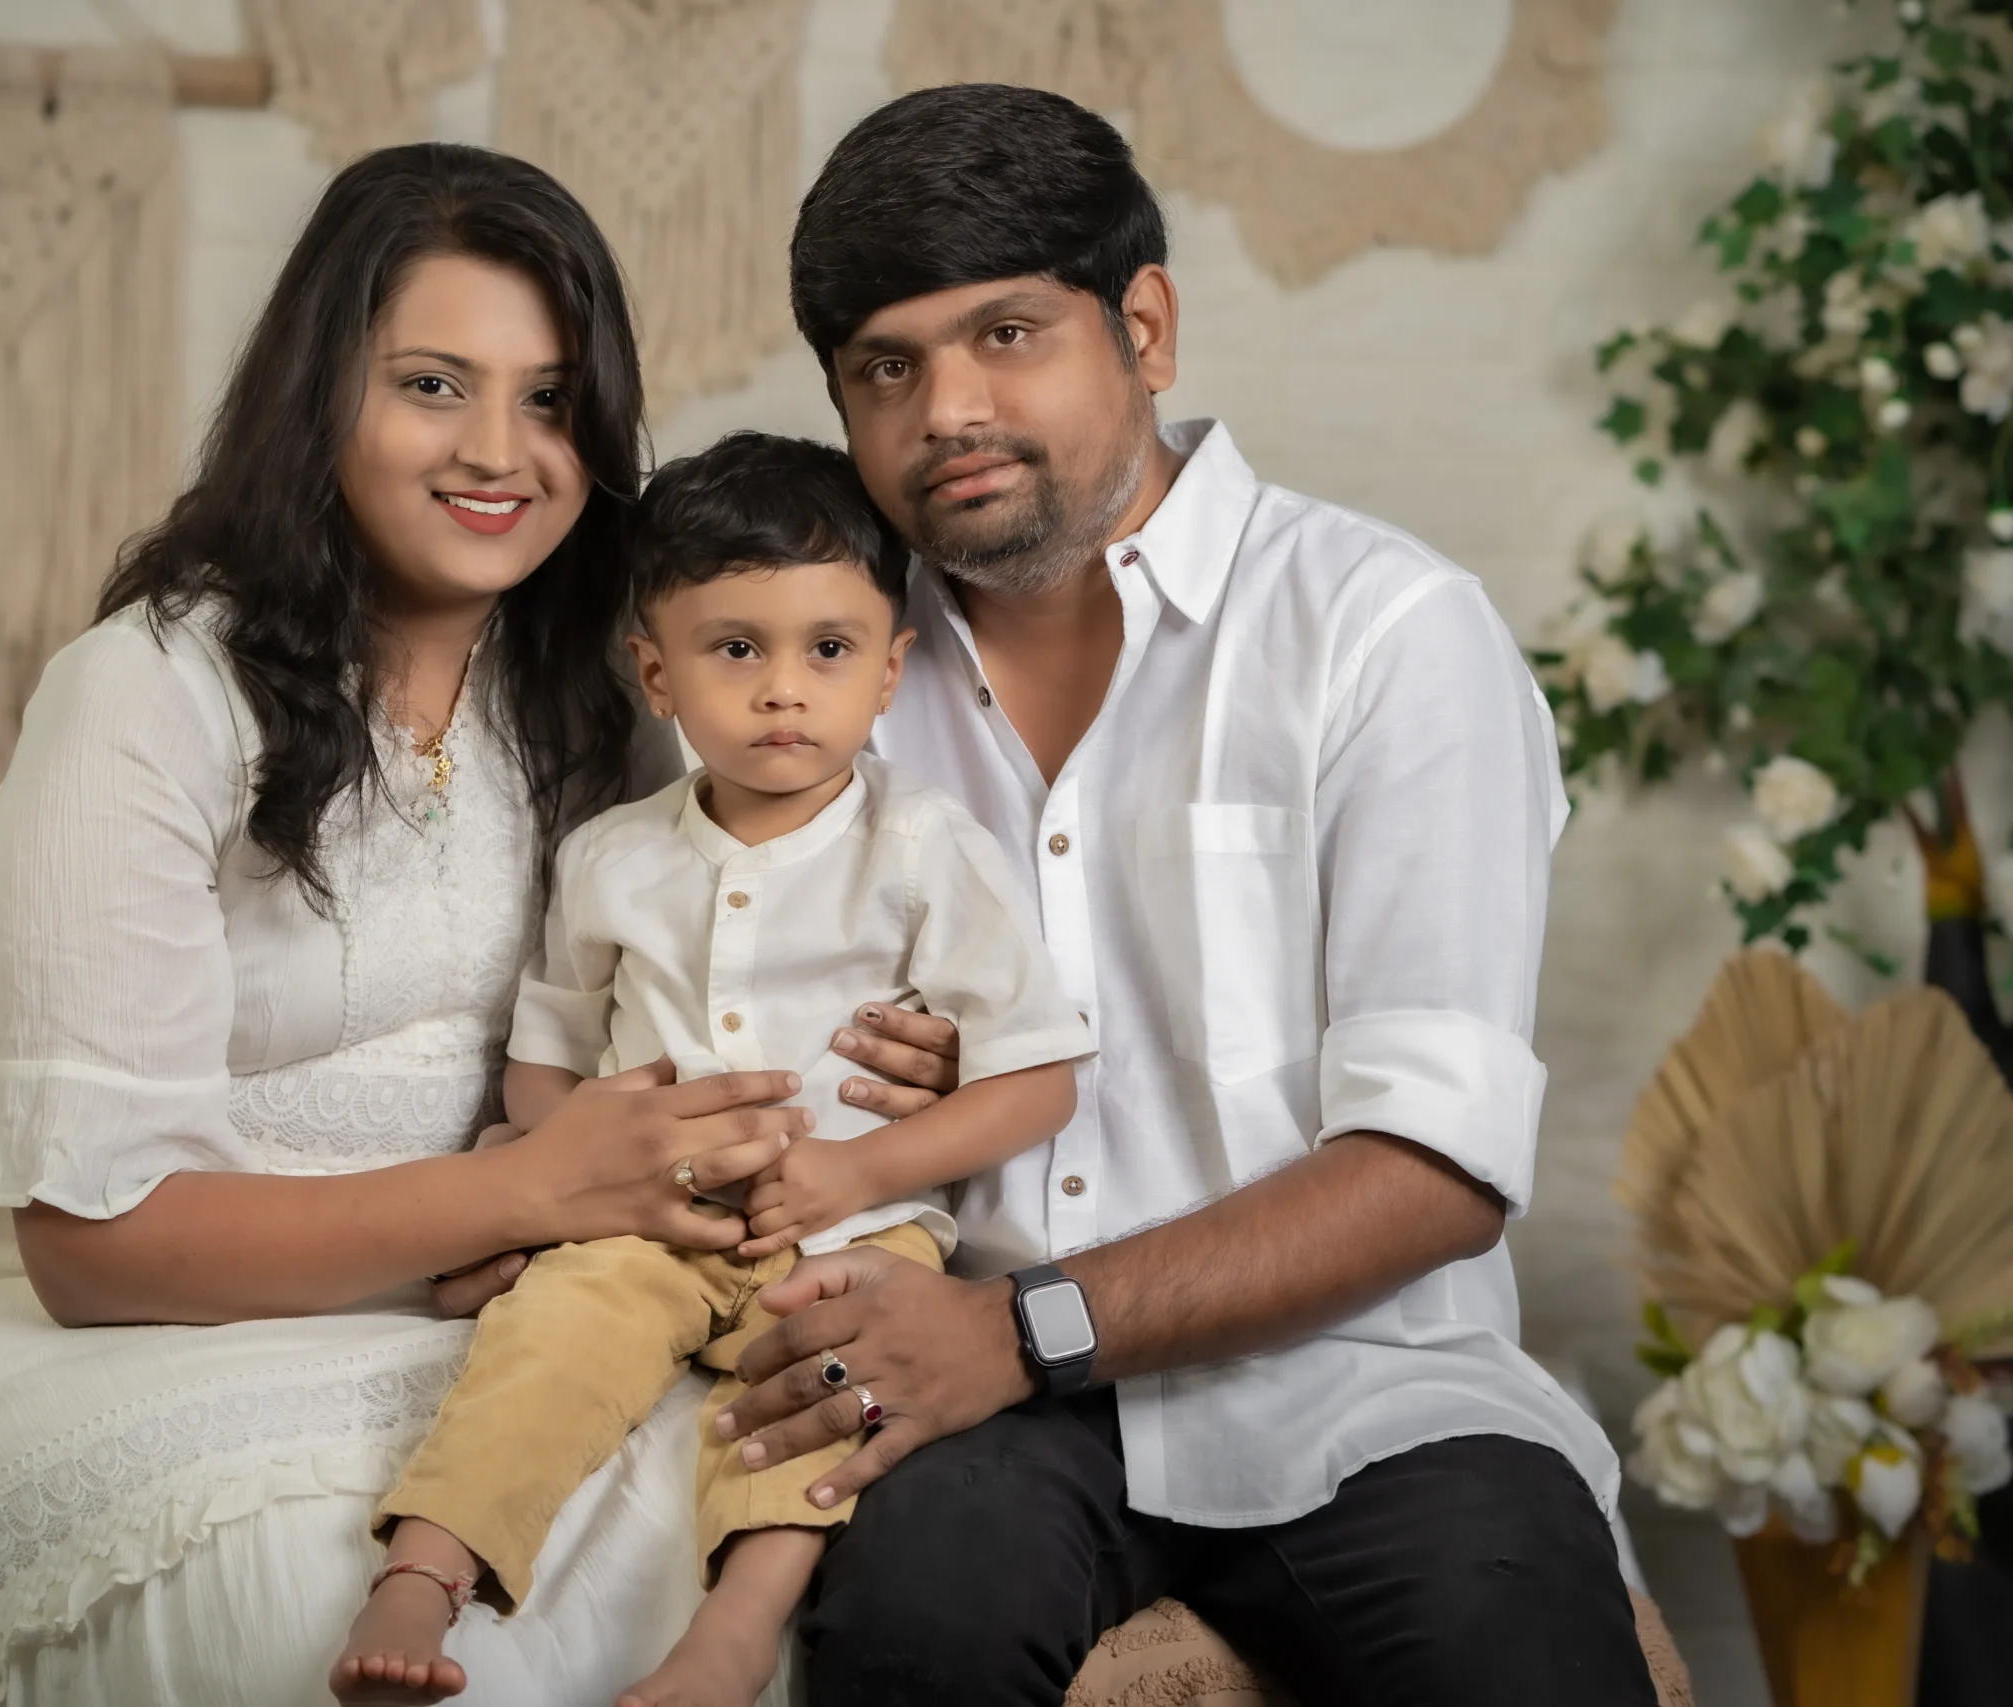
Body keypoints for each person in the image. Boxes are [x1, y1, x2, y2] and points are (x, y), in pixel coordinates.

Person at [0, 145, 821, 1706]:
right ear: (319, 393)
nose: (499, 451)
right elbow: (88, 1250)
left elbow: (675, 1012)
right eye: (432, 385)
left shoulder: (600, 699)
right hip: (82, 1337)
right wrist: (522, 1190)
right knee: (318, 1610)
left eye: (551, 400)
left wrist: (898, 1040)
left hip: (463, 1313)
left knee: (719, 1529)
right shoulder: (147, 691)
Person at [702, 84, 1660, 1706]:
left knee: (1518, 1654)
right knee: (907, 1640)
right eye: (887, 367)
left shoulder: (1384, 633)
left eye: (1008, 335)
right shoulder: (816, 682)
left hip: (1371, 1389)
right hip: (984, 1412)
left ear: (1143, 326)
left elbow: (1433, 1169)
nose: (948, 409)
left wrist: (1022, 1328)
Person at [333, 432, 1092, 1707]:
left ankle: (734, 1631)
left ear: (890, 671)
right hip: (650, 1220)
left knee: (827, 1380)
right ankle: (426, 1568)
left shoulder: (925, 849)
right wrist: (587, 1179)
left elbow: (1037, 1080)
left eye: (828, 650)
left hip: (851, 1226)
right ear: (657, 673)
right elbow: (546, 1064)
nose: (784, 690)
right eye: (736, 650)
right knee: (550, 1336)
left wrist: (859, 1170)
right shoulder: (611, 859)